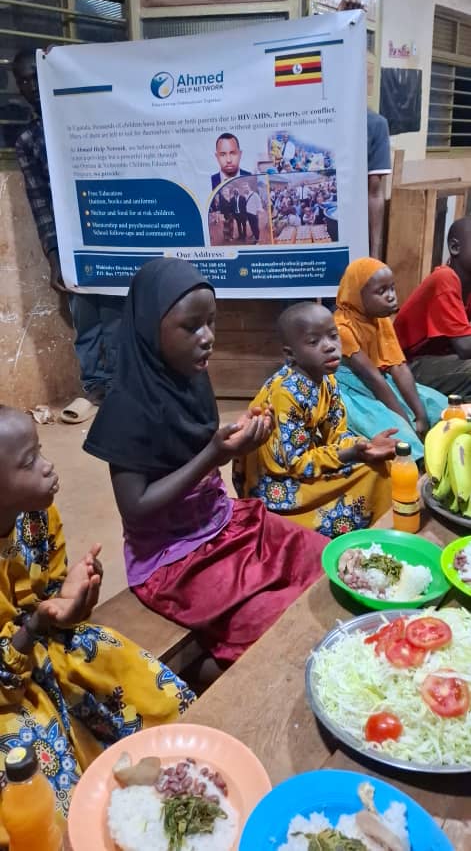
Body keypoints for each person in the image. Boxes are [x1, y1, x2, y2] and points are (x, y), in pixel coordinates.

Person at [83, 259, 327, 670]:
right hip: (173, 559)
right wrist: (213, 455)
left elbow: (205, 452)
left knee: (323, 559)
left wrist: (246, 439)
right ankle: (206, 674)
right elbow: (136, 507)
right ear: (150, 328)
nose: (208, 338)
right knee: (274, 624)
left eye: (211, 322)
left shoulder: (192, 378)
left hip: (222, 521)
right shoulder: (126, 408)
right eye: (191, 327)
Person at [0, 405, 194, 821]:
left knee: (150, 690)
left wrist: (74, 601)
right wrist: (36, 624)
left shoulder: (35, 516)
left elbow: (51, 598)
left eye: (40, 450)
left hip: (41, 642)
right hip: (5, 687)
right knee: (44, 796)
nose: (48, 466)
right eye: (29, 462)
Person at [13, 50, 124, 420]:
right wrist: (54, 255)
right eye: (22, 80)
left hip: (109, 231)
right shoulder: (28, 140)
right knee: (85, 316)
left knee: (117, 315)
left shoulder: (87, 119)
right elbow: (40, 204)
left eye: (35, 76)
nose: (30, 85)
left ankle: (122, 390)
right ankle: (95, 389)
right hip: (71, 243)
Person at [234, 302, 395, 534]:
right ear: (290, 354)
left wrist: (364, 446)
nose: (329, 346)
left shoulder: (328, 380)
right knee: (370, 477)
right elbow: (296, 464)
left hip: (305, 459)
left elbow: (337, 434)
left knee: (379, 465)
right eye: (313, 341)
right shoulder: (285, 393)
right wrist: (351, 454)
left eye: (333, 336)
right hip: (276, 485)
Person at [334, 258, 447, 461]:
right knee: (394, 429)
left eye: (392, 288)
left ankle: (444, 448)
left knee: (438, 405)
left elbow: (399, 367)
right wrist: (407, 422)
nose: (391, 296)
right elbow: (372, 379)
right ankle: (419, 465)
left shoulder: (381, 319)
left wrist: (420, 415)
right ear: (357, 295)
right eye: (381, 291)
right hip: (355, 389)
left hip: (382, 381)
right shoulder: (342, 327)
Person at [337, 0, 392, 259]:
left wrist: (375, 254)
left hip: (354, 240)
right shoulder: (313, 122)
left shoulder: (374, 125)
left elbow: (375, 193)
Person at [394, 217, 471, 400]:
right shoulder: (445, 278)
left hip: (440, 360)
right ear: (455, 247)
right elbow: (465, 347)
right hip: (406, 367)